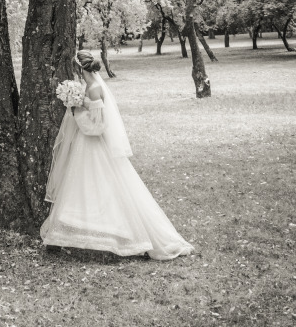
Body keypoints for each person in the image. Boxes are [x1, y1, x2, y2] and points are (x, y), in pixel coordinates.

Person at [41, 50, 193, 259]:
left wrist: (77, 109)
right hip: (84, 145)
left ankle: (112, 234)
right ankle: (76, 232)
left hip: (93, 145)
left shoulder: (94, 89)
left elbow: (98, 126)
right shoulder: (89, 86)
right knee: (84, 186)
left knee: (100, 187)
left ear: (78, 68)